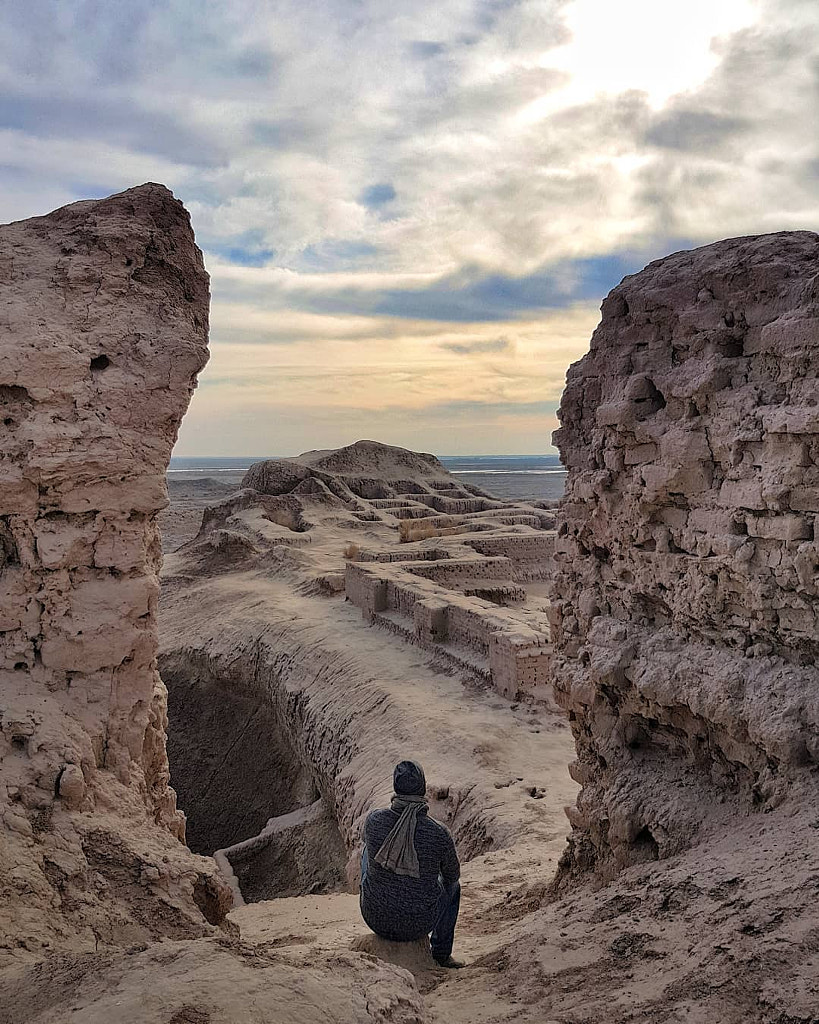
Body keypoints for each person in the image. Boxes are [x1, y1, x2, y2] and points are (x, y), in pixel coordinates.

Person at [359, 760, 463, 968]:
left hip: (374, 917)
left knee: (367, 852)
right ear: (422, 788)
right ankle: (441, 953)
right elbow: (452, 876)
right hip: (418, 924)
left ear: (396, 787)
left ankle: (383, 897)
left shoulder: (374, 821)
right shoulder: (438, 833)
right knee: (454, 887)